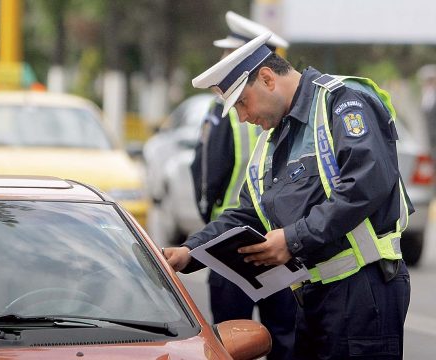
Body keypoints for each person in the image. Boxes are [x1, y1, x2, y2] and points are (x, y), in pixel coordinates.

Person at [164, 32, 413, 360]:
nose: (242, 117)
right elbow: (248, 214)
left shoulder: (342, 102)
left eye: (242, 102)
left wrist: (293, 239)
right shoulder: (271, 141)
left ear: (267, 78)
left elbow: (365, 184)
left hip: (363, 291)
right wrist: (189, 251)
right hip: (312, 296)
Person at [189, 11, 296, 360]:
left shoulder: (270, 115)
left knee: (233, 338)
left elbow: (207, 173)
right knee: (284, 336)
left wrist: (208, 214)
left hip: (242, 246)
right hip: (272, 237)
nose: (243, 116)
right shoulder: (281, 116)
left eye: (229, 55)